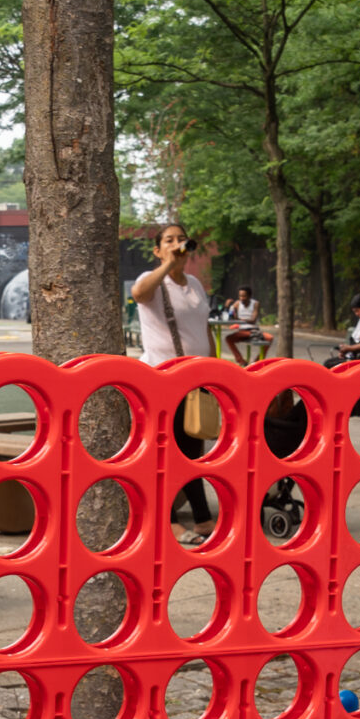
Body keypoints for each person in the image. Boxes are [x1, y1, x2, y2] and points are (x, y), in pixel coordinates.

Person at [132, 220, 217, 536]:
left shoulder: (194, 284)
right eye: (169, 240)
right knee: (168, 453)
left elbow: (203, 327)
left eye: (181, 239)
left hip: (197, 379)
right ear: (157, 250)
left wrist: (215, 369)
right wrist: (167, 265)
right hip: (163, 379)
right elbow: (139, 294)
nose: (177, 243)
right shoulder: (151, 281)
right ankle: (168, 520)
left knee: (193, 453)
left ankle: (202, 518)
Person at [222, 286, 263, 365]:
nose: (242, 298)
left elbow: (253, 320)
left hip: (253, 330)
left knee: (269, 339)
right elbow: (229, 313)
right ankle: (241, 361)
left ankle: (256, 362)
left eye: (244, 296)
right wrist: (227, 306)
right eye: (240, 296)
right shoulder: (237, 303)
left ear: (249, 296)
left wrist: (240, 320)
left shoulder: (255, 304)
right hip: (242, 331)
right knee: (228, 339)